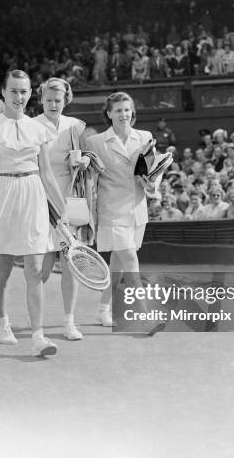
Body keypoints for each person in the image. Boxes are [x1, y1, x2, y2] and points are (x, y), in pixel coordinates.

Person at [0, 70, 68, 357]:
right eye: (14, 91)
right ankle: (3, 322)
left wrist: (62, 210)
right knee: (2, 271)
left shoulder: (39, 129)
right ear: (2, 92)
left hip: (33, 194)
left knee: (35, 271)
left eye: (24, 91)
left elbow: (48, 174)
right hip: (2, 195)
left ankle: (38, 336)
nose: (19, 97)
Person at [85, 91, 167, 332]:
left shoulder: (145, 137)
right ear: (109, 114)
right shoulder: (95, 142)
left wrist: (153, 184)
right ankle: (146, 317)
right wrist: (89, 214)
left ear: (133, 113)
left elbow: (153, 172)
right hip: (111, 210)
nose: (123, 114)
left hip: (137, 209)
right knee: (130, 261)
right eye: (118, 110)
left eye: (127, 109)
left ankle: (103, 308)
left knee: (119, 266)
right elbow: (90, 180)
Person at [33, 78, 93, 340]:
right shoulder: (32, 126)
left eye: (58, 100)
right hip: (40, 200)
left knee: (70, 264)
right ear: (41, 100)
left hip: (70, 200)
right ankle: (38, 322)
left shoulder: (76, 126)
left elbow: (92, 155)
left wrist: (83, 161)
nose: (53, 104)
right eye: (48, 100)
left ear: (66, 100)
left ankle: (69, 322)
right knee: (42, 269)